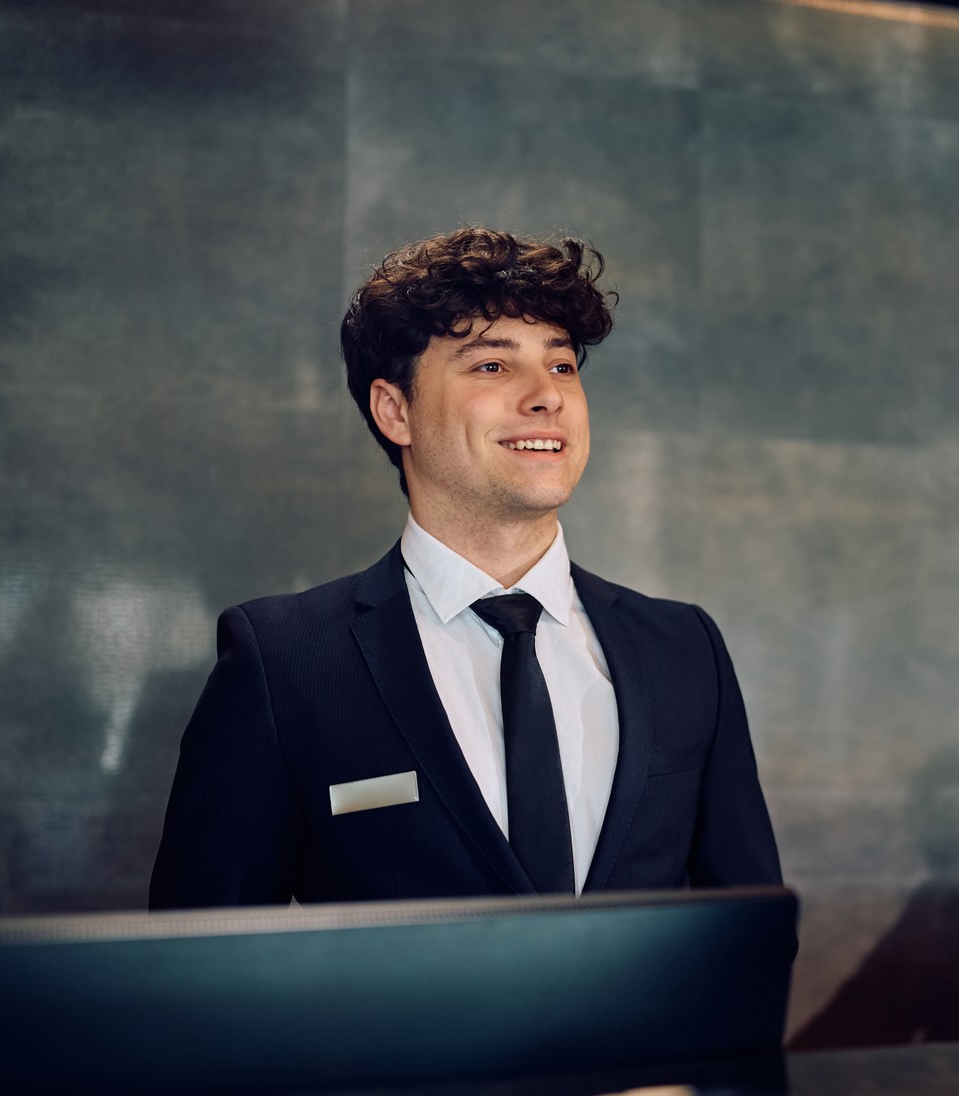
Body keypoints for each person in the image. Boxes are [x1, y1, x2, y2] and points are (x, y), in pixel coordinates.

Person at [150, 228, 781, 907]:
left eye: (563, 365)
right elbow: (203, 964)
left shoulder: (685, 649)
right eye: (493, 366)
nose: (548, 396)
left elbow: (752, 929)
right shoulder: (283, 661)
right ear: (396, 410)